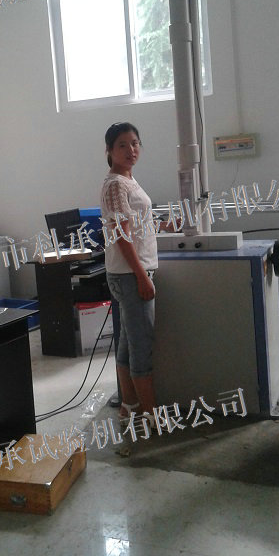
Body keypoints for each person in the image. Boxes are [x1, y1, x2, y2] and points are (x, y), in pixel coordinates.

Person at [100, 122, 162, 429]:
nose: (131, 149)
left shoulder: (128, 180)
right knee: (141, 346)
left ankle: (129, 406)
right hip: (129, 274)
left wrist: (165, 225)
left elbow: (136, 225)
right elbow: (122, 235)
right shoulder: (116, 185)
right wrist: (141, 276)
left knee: (127, 343)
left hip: (129, 272)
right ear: (109, 151)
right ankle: (151, 416)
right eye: (122, 145)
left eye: (135, 143)